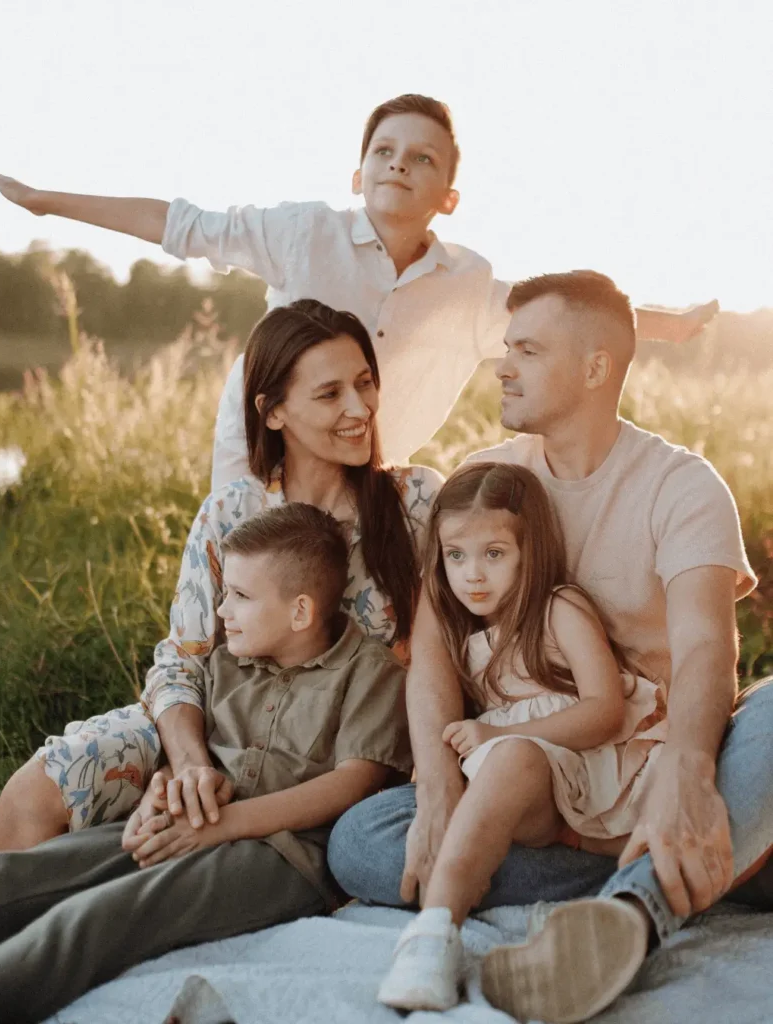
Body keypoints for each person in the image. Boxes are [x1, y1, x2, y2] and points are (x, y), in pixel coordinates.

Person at [328, 271, 773, 1024]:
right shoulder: (485, 482)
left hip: (654, 754)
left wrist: (691, 773)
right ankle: (708, 861)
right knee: (361, 841)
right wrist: (436, 789)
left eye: (526, 350)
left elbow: (706, 650)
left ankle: (633, 911)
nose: (501, 365)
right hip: (536, 778)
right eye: (505, 347)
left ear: (595, 367)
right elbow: (433, 652)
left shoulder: (680, 485)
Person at [0, 94, 718, 493]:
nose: (400, 164)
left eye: (421, 158)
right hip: (262, 449)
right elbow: (179, 224)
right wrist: (47, 201)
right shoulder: (302, 232)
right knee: (248, 587)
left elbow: (561, 318)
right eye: (384, 152)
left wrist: (670, 326)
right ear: (357, 174)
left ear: (449, 195)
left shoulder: (465, 283)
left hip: (370, 471)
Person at [0, 299, 441, 865]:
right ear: (274, 412)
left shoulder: (419, 503)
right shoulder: (231, 512)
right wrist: (188, 766)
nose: (361, 407)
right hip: (215, 727)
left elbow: (446, 650)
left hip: (340, 747)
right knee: (43, 788)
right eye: (330, 393)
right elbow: (182, 661)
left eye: (364, 383)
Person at [0, 501, 414, 1024]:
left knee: (97, 918)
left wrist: (223, 827)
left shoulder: (371, 673)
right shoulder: (229, 662)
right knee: (15, 874)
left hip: (281, 857)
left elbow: (351, 785)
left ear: (301, 612)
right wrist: (162, 792)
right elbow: (194, 761)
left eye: (239, 596)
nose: (221, 612)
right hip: (191, 822)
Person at [377, 462, 668, 1012]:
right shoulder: (467, 638)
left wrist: (499, 732)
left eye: (494, 554)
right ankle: (437, 931)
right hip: (544, 805)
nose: (473, 576)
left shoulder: (560, 608)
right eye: (456, 556)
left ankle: (437, 927)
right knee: (365, 834)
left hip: (601, 769)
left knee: (509, 757)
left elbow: (604, 710)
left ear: (529, 551)